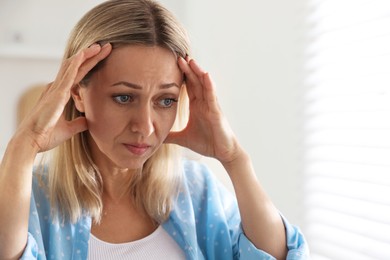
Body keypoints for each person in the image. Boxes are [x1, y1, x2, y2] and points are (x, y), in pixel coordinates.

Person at [0, 0, 309, 259]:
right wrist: (23, 147)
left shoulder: (195, 191)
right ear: (78, 92)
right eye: (124, 97)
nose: (145, 126)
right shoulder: (33, 199)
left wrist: (235, 159)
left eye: (165, 100)